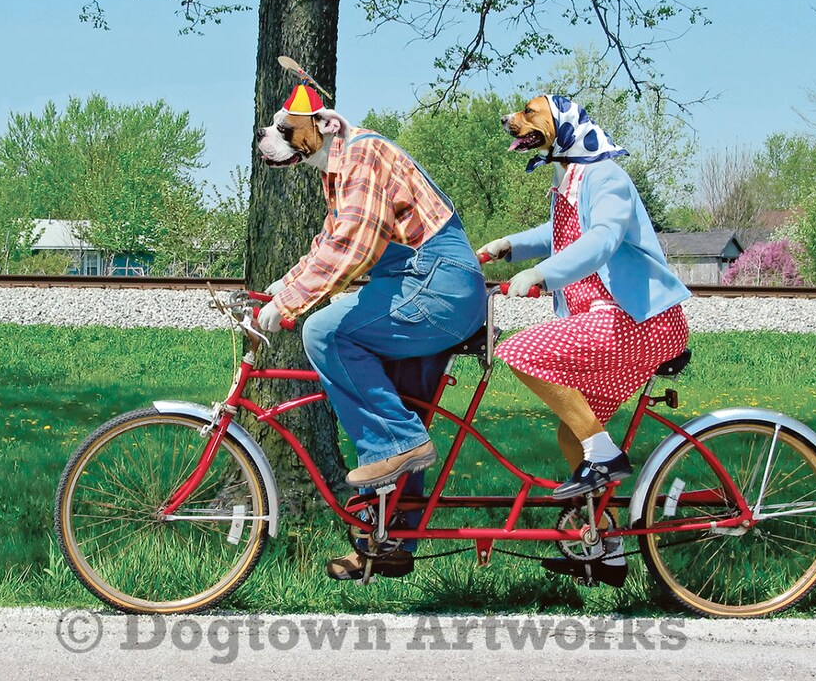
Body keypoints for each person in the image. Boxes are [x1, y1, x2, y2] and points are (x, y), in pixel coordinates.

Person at [255, 70, 486, 580]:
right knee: (391, 406)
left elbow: (354, 242)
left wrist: (292, 303)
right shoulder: (339, 166)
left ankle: (400, 445)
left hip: (435, 282)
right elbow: (329, 243)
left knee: (326, 333)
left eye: (287, 130)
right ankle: (389, 542)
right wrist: (281, 286)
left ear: (327, 126)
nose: (274, 138)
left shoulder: (361, 155)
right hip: (419, 282)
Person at [479, 94, 691, 586]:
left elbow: (601, 240)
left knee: (520, 350)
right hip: (609, 323)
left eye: (531, 114)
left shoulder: (606, 175)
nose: (516, 121)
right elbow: (559, 233)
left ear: (565, 125)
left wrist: (541, 277)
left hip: (636, 320)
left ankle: (605, 454)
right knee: (568, 433)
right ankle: (605, 545)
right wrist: (503, 247)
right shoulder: (571, 178)